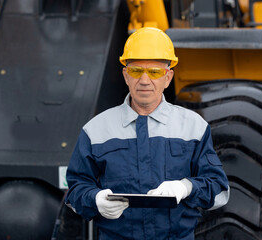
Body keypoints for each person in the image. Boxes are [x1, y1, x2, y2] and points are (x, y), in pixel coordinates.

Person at [65, 27, 229, 240]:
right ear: (126, 75)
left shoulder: (193, 127)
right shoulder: (96, 130)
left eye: (154, 72)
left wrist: (186, 187)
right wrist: (94, 199)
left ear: (168, 77)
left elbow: (219, 188)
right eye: (135, 71)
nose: (144, 80)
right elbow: (75, 189)